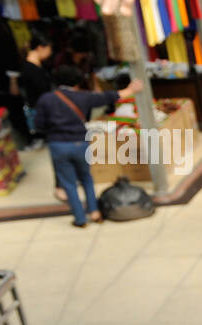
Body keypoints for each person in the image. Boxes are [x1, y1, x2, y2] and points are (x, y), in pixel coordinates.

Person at [33, 65, 142, 227]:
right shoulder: (84, 97)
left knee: (68, 183)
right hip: (81, 143)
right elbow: (107, 97)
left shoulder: (46, 100)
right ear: (76, 82)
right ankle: (95, 212)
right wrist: (130, 90)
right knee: (87, 178)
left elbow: (38, 124)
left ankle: (80, 218)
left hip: (58, 145)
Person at [12, 34, 53, 153]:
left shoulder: (36, 65)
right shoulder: (29, 68)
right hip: (38, 110)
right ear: (41, 48)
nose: (50, 52)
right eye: (49, 48)